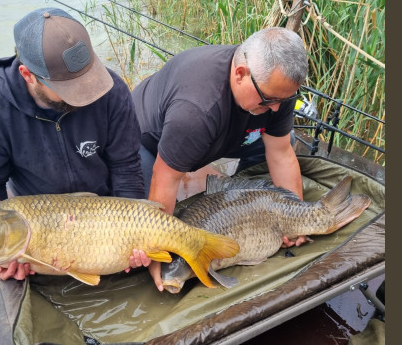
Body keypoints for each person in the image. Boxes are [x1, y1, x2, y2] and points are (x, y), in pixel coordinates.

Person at [0, 7, 145, 281]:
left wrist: (132, 235)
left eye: (87, 79)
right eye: (69, 89)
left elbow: (126, 167)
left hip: (107, 211)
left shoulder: (112, 91)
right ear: (28, 74)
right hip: (40, 224)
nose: (85, 94)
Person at [130, 27, 309, 291]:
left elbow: (281, 153)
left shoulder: (274, 91)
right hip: (149, 141)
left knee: (287, 140)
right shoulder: (196, 110)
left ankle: (241, 199)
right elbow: (165, 178)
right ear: (240, 74)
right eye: (268, 101)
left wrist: (297, 216)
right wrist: (158, 254)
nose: (274, 108)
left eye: (284, 100)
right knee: (140, 218)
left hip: (219, 135)